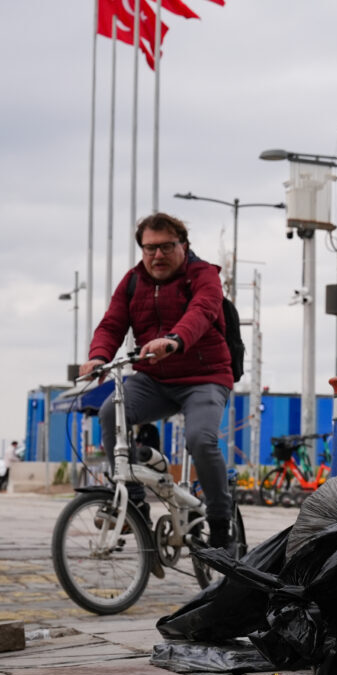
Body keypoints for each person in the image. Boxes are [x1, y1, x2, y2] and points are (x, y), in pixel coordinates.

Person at [80, 212, 234, 548]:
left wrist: (175, 339)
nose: (157, 255)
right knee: (110, 413)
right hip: (153, 379)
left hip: (204, 377)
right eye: (149, 249)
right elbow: (111, 325)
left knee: (200, 439)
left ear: (183, 245)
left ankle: (222, 520)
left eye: (166, 247)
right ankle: (134, 501)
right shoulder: (133, 282)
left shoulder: (204, 275)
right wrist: (98, 356)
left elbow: (203, 311)